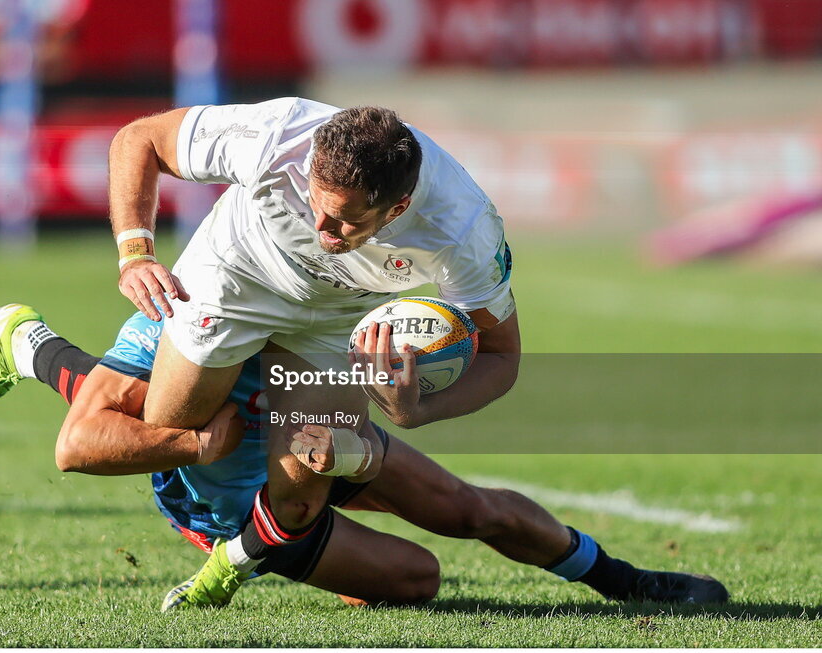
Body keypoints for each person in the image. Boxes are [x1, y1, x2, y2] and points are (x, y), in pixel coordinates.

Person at [0, 304, 729, 609]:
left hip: (314, 437)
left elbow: (363, 406)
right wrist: (188, 440)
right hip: (225, 493)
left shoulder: (331, 308)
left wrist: (398, 395)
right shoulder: (193, 315)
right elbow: (78, 443)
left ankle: (628, 581)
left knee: (471, 508)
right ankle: (27, 345)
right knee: (417, 579)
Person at [106, 99, 523, 607]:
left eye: (346, 221)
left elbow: (501, 358)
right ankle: (34, 349)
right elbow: (138, 138)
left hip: (336, 321)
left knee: (302, 494)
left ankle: (234, 558)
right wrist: (135, 253)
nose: (322, 228)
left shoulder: (462, 230)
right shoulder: (278, 134)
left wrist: (419, 411)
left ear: (397, 210)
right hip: (236, 278)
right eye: (316, 203)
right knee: (170, 430)